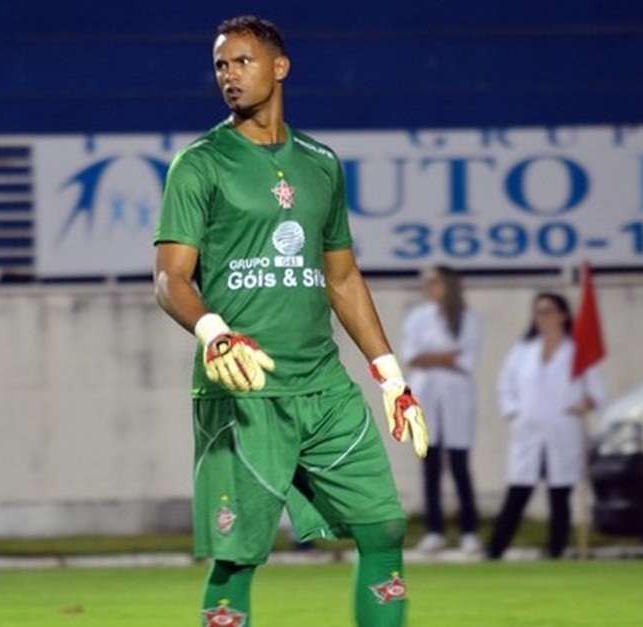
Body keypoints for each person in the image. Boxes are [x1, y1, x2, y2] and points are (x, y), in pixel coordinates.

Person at [153, 15, 428, 627]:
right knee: (238, 555)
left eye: (242, 61)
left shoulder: (321, 164)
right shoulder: (199, 164)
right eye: (221, 64)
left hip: (323, 387)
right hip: (244, 388)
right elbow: (171, 278)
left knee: (383, 525)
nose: (229, 75)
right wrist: (213, 332)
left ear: (280, 67)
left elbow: (343, 277)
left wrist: (389, 375)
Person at [485, 292, 606, 560]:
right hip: (528, 430)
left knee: (559, 495)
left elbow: (596, 390)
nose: (542, 317)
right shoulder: (523, 350)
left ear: (563, 315)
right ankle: (495, 550)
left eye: (548, 311)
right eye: (538, 312)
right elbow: (505, 385)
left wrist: (586, 403)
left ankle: (556, 551)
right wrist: (515, 413)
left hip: (562, 428)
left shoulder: (577, 352)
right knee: (518, 492)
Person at [401, 265, 482, 555]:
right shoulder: (417, 317)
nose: (429, 287)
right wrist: (444, 357)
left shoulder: (468, 319)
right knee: (430, 463)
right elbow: (412, 356)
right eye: (426, 282)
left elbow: (466, 359)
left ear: (448, 284)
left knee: (459, 464)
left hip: (456, 394)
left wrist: (431, 358)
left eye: (434, 282)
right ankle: (434, 530)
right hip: (426, 393)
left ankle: (469, 531)